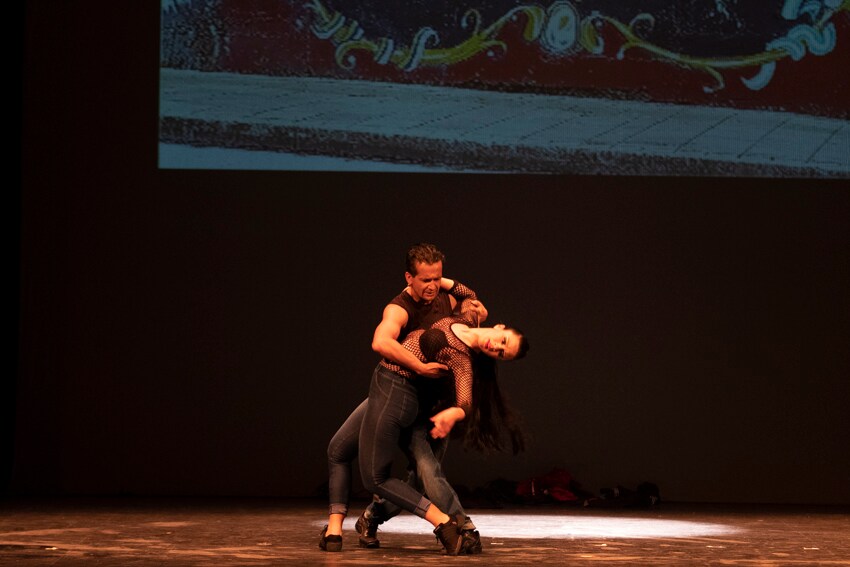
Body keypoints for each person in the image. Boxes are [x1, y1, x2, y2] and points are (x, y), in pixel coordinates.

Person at [322, 312, 529, 554]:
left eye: (501, 353)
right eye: (502, 340)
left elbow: (464, 402)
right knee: (338, 451)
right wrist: (438, 282)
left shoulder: (464, 360)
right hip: (387, 390)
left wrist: (452, 414)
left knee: (422, 474)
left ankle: (456, 524)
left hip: (420, 410)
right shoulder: (466, 315)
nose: (495, 347)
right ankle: (344, 528)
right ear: (500, 326)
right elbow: (445, 285)